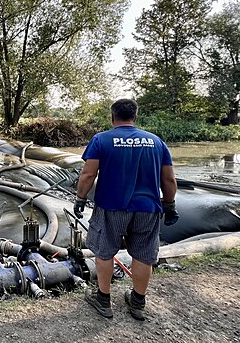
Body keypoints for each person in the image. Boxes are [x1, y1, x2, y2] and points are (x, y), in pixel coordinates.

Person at [73, 98, 179, 321]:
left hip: (111, 207)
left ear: (112, 117)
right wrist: (169, 204)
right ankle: (138, 302)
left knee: (104, 251)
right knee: (143, 255)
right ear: (135, 117)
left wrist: (80, 198)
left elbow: (88, 174)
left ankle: (103, 299)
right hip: (148, 208)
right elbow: (168, 179)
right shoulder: (155, 142)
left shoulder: (101, 139)